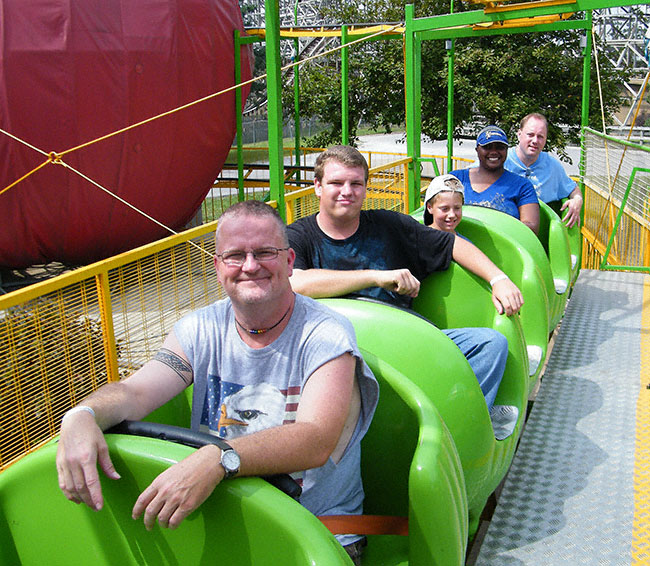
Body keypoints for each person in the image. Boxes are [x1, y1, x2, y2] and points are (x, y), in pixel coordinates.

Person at [56, 200, 378, 564]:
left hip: (316, 530)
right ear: (217, 266)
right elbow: (136, 390)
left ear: (289, 262)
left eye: (265, 252)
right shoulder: (199, 329)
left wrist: (220, 457)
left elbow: (315, 439)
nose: (250, 265)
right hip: (225, 521)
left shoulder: (325, 334)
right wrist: (83, 414)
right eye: (235, 255)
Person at [287, 145, 524, 413]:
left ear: (365, 187)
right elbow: (295, 283)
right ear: (318, 186)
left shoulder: (390, 226)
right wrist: (376, 277)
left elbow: (452, 244)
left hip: (401, 345)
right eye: (336, 183)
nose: (347, 191)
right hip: (337, 353)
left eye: (356, 183)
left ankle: (460, 422)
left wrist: (498, 278)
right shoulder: (299, 236)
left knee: (490, 344)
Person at [451, 125, 540, 234]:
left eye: (500, 147)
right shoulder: (456, 179)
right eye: (487, 147)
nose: (493, 152)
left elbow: (531, 227)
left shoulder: (522, 186)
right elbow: (436, 212)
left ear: (507, 150)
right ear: (477, 150)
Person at [505, 112, 583, 228]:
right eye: (530, 134)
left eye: (540, 136)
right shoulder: (501, 160)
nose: (535, 141)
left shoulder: (552, 167)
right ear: (519, 134)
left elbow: (573, 190)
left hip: (537, 234)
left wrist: (577, 200)